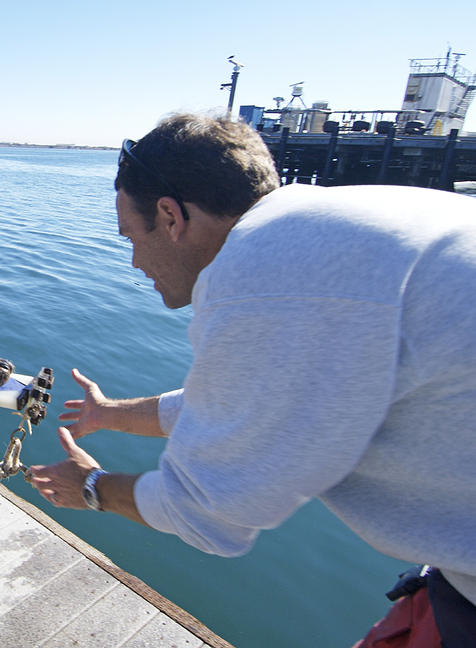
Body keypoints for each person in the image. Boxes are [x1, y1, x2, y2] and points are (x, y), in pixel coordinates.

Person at [27, 113, 476, 646]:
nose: (134, 260)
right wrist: (112, 416)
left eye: (131, 236)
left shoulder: (265, 272)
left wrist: (91, 489)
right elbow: (252, 404)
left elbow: (207, 513)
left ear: (170, 216)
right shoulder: (333, 227)